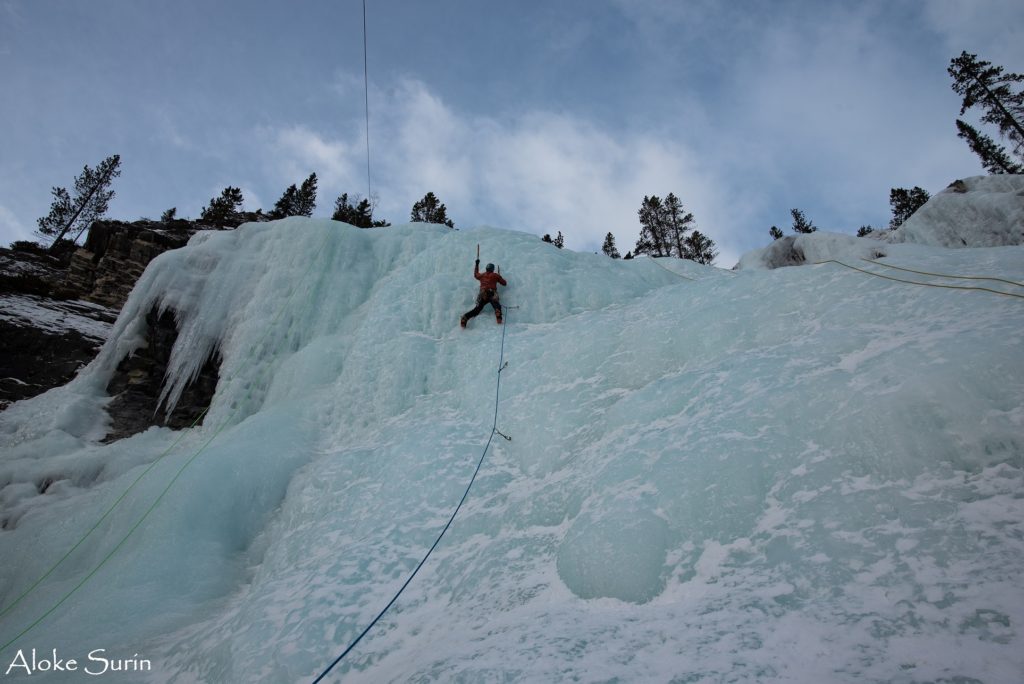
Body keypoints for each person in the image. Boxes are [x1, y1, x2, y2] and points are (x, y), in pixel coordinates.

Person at [461, 260, 507, 328]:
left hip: (483, 294)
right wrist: (499, 277)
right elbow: (504, 283)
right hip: (492, 293)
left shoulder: (482, 275)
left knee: (477, 310)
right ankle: (498, 316)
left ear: (486, 269)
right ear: (492, 269)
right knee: (497, 306)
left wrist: (477, 264)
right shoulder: (495, 275)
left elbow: (476, 274)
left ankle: (465, 317)